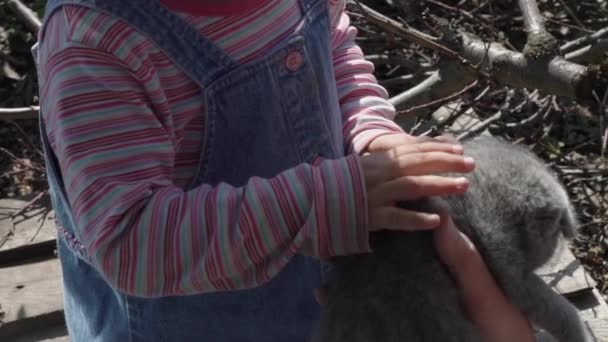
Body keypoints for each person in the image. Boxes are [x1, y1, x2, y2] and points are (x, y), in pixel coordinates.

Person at [32, 0, 535, 340]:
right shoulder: (93, 44)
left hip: (311, 300)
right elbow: (132, 242)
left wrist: (372, 135)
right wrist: (326, 201)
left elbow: (334, 49)